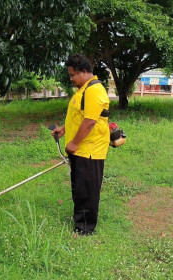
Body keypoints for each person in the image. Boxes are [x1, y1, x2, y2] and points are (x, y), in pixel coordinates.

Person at [52, 54, 110, 235]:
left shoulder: (94, 90)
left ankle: (85, 229)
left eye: (72, 75)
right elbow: (79, 116)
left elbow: (90, 121)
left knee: (87, 190)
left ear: (84, 72)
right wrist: (63, 129)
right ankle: (80, 222)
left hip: (89, 150)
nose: (70, 79)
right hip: (81, 149)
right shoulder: (83, 89)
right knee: (79, 188)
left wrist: (74, 143)